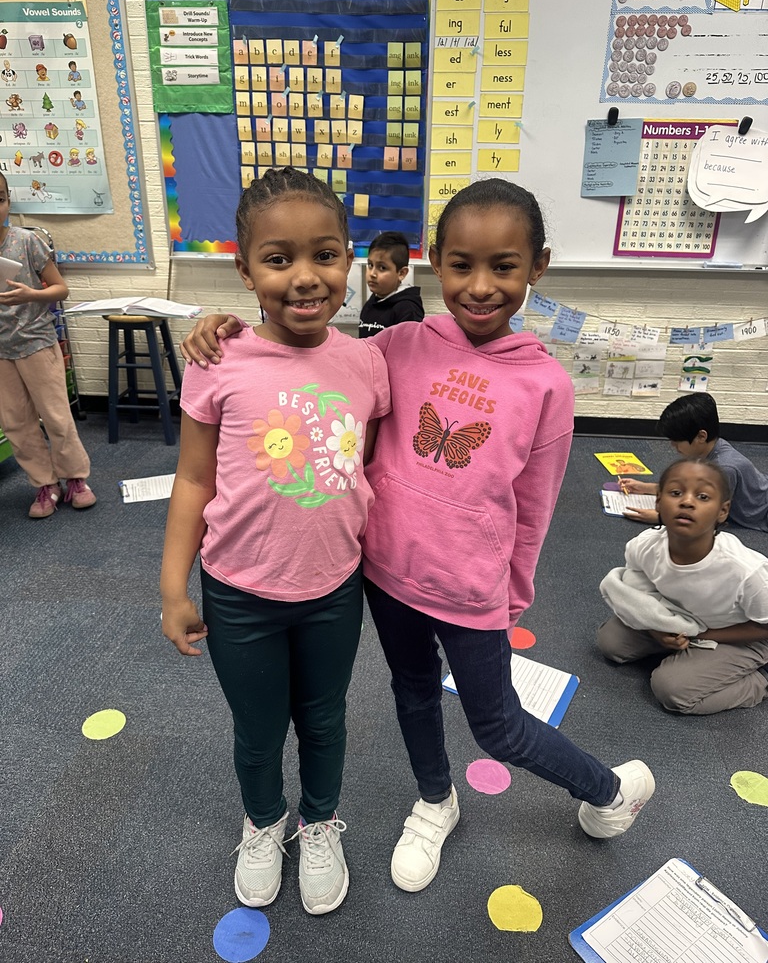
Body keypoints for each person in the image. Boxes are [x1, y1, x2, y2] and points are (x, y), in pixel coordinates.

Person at [179, 178, 656, 893]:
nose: (481, 286)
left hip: (472, 589)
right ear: (435, 261)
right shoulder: (396, 347)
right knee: (412, 693)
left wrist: (512, 597)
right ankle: (437, 800)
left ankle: (610, 791)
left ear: (539, 267)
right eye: (461, 265)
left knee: (498, 728)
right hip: (384, 576)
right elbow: (308, 365)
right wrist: (219, 322)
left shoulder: (547, 384)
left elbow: (537, 507)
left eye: (504, 267)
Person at [160, 167, 390, 916]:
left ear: (350, 260)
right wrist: (173, 587)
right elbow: (193, 481)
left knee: (324, 719)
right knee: (257, 729)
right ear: (245, 269)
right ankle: (264, 822)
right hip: (239, 593)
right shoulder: (217, 358)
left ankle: (318, 821)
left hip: (333, 590)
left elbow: (367, 464)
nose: (304, 277)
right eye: (278, 258)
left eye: (325, 254)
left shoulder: (365, 363)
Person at [598, 458, 768, 714]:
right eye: (676, 493)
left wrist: (699, 635)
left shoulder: (745, 571)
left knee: (671, 690)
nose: (687, 501)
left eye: (702, 496)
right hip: (680, 619)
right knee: (610, 643)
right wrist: (656, 627)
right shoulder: (645, 545)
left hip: (742, 635)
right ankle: (688, 655)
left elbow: (764, 627)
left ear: (722, 511)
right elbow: (638, 587)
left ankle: (760, 682)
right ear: (658, 503)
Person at [0, 171, 96, 518]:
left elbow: (60, 289)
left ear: (8, 201)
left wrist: (33, 294)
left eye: (0, 199)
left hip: (36, 342)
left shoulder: (26, 241)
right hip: (1, 352)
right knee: (16, 422)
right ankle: (44, 483)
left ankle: (75, 478)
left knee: (56, 415)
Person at [621, 392, 768, 531]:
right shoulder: (710, 449)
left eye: (677, 440)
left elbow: (710, 516)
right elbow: (692, 489)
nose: (673, 445)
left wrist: (661, 517)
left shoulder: (724, 468)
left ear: (701, 436)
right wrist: (645, 487)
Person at [359, 230, 424, 339]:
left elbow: (409, 351)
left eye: (382, 268)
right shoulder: (371, 302)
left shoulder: (408, 310)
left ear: (401, 273)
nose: (372, 273)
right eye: (370, 265)